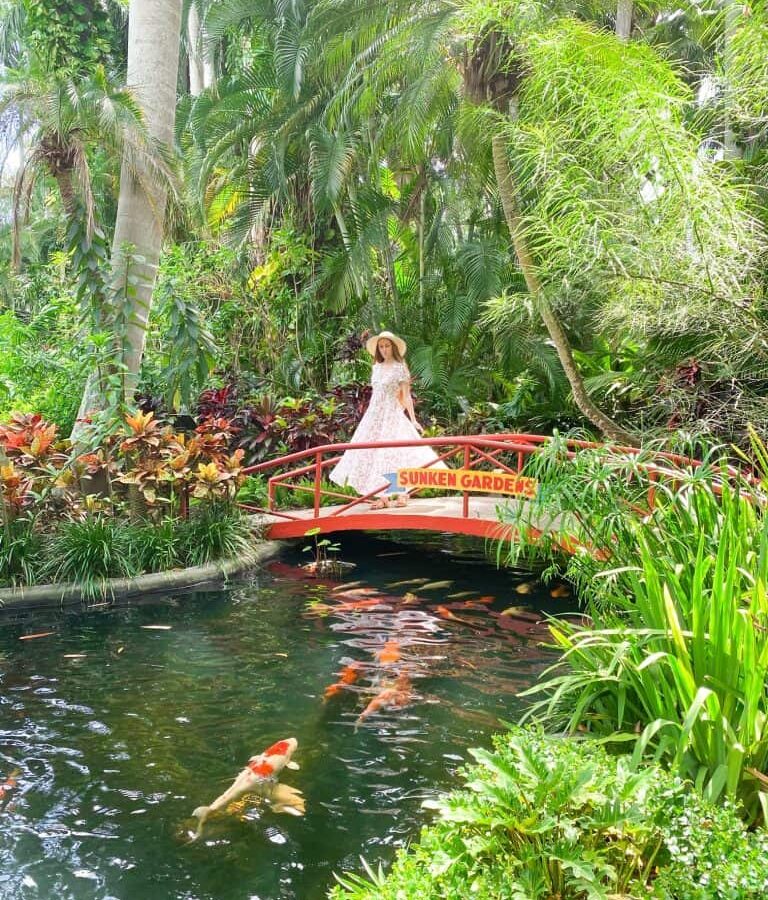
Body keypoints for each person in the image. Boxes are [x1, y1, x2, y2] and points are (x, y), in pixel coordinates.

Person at [330, 331, 446, 508]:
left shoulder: (400, 368)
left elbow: (406, 396)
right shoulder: (376, 367)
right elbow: (376, 394)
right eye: (381, 346)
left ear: (393, 347)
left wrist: (413, 419)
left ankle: (401, 492)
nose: (384, 349)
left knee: (393, 453)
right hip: (375, 415)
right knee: (373, 454)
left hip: (391, 415)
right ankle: (382, 497)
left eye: (387, 346)